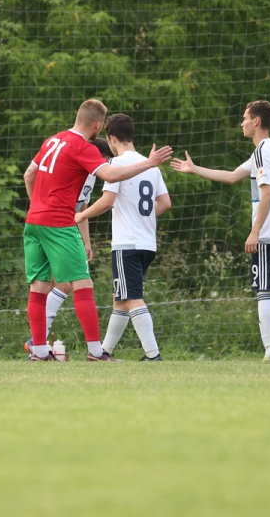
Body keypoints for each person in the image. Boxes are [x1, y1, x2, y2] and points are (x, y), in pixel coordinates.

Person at [171, 100, 270, 362]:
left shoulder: (262, 151)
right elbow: (232, 176)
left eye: (244, 118)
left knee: (264, 290)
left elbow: (267, 194)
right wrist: (194, 169)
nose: (241, 123)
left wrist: (255, 232)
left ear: (256, 121)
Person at [23, 99, 173, 361]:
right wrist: (149, 163)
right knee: (83, 284)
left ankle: (39, 351)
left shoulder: (52, 140)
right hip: (60, 222)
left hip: (34, 220)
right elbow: (111, 176)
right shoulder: (82, 146)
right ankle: (96, 351)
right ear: (98, 125)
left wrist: (38, 205)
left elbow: (28, 175)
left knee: (39, 286)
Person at [75, 114, 171, 361]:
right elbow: (165, 203)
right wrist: (141, 215)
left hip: (126, 243)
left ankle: (153, 354)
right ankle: (103, 352)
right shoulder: (150, 165)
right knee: (120, 299)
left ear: (112, 138)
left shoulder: (117, 164)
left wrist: (81, 215)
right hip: (147, 243)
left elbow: (107, 201)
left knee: (131, 298)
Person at [23, 137, 114, 356]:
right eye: (107, 160)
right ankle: (92, 351)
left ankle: (38, 346)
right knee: (76, 283)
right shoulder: (81, 167)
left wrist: (86, 241)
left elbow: (81, 208)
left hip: (43, 222)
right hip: (58, 225)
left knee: (48, 285)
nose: (106, 165)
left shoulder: (88, 175)